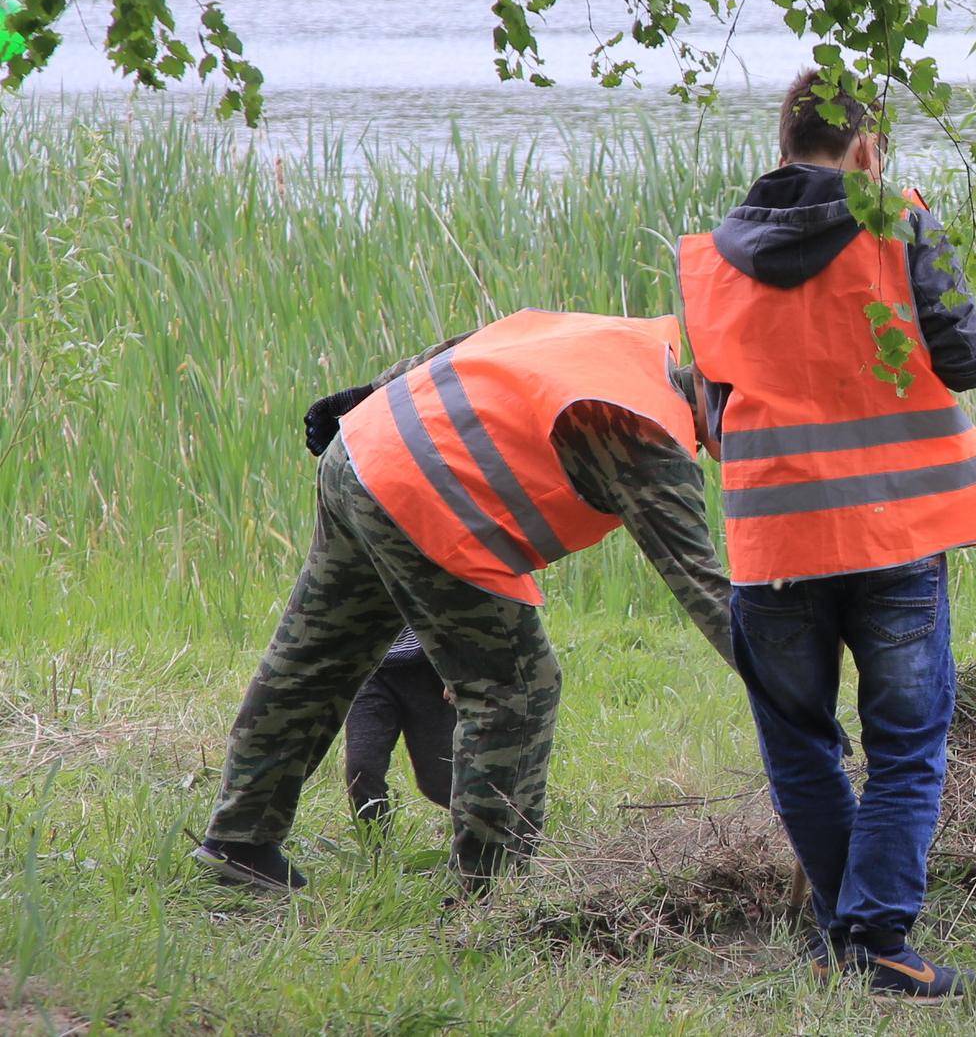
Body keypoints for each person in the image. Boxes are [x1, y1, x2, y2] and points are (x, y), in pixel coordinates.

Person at [675, 68, 976, 1002]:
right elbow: (964, 359)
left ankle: (849, 940)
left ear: (781, 145)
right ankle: (875, 939)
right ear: (866, 147)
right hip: (890, 531)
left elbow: (709, 411)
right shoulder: (899, 222)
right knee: (904, 745)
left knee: (800, 749)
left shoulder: (707, 259)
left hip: (772, 543)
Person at [196, 309, 735, 897]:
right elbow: (706, 591)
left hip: (361, 446)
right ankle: (490, 890)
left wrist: (371, 392)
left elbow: (481, 343)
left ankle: (238, 841)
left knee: (316, 652)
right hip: (423, 497)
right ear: (727, 401)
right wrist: (791, 691)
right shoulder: (650, 439)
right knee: (515, 687)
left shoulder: (628, 343)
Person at [341, 630, 456, 823]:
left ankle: (500, 830)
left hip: (431, 667)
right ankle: (374, 841)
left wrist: (458, 665)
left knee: (441, 782)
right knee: (362, 769)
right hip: (370, 669)